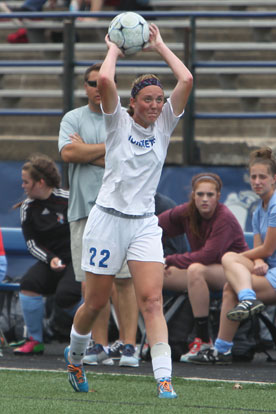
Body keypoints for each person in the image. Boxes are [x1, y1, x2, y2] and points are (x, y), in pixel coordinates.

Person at [63, 22, 193, 399]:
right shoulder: (117, 122)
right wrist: (115, 49)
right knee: (95, 302)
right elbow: (105, 81)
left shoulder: (166, 124)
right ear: (133, 103)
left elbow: (185, 78)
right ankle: (74, 359)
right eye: (147, 99)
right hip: (106, 222)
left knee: (152, 300)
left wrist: (160, 46)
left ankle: (164, 379)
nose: (155, 105)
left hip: (143, 225)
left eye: (158, 99)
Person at [58, 63, 139, 368]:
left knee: (124, 281)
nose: (96, 88)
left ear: (112, 85)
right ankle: (101, 345)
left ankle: (129, 346)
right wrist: (107, 150)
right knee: (94, 282)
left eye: (101, 83)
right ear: (85, 86)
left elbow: (128, 161)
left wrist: (89, 151)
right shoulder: (73, 118)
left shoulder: (125, 118)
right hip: (84, 209)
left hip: (120, 210)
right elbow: (68, 154)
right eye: (91, 83)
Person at [188, 147, 276, 365]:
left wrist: (240, 258)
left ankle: (246, 300)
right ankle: (222, 349)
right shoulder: (258, 211)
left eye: (262, 177)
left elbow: (267, 250)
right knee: (229, 286)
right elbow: (259, 253)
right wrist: (255, 262)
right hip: (268, 270)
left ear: (274, 179)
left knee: (229, 259)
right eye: (253, 177)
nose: (257, 181)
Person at [158, 172, 248, 363]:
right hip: (202, 271)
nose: (204, 199)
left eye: (210, 195)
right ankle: (140, 341)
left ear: (218, 197)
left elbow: (208, 256)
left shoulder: (225, 217)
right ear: (193, 195)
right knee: (151, 273)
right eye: (200, 194)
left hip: (233, 273)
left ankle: (203, 341)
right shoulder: (187, 212)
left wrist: (170, 259)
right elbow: (155, 226)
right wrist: (154, 256)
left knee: (196, 270)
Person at [12, 153, 82, 355]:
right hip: (50, 260)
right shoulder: (27, 207)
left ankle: (90, 338)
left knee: (65, 296)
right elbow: (31, 243)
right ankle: (35, 340)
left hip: (76, 261)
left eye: (26, 182)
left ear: (40, 182)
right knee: (29, 284)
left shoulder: (69, 200)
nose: (23, 186)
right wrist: (50, 259)